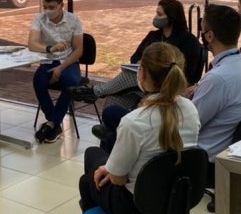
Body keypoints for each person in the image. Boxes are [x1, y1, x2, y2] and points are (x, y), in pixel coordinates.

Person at [78, 42, 200, 214]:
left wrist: (111, 170)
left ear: (141, 72)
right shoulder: (190, 109)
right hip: (176, 195)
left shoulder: (134, 122)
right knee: (97, 158)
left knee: (88, 176)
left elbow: (119, 180)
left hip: (135, 205)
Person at [70, 0, 203, 149]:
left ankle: (96, 93)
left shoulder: (189, 42)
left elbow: (191, 75)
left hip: (167, 87)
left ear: (171, 17)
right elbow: (134, 57)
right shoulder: (153, 36)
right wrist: (140, 63)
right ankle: (108, 139)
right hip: (143, 85)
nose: (155, 18)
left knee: (129, 78)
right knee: (114, 98)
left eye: (159, 15)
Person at [193, 4, 241, 165]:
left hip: (202, 158)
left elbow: (188, 125)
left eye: (203, 30)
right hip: (225, 150)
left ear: (209, 36)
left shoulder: (217, 79)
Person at [29, 0, 84, 143]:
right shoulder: (39, 18)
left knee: (71, 82)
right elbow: (32, 44)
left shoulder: (74, 20)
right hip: (48, 59)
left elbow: (78, 50)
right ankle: (55, 124)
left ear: (62, 5)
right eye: (45, 7)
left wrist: (60, 68)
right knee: (38, 81)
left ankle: (51, 123)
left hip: (68, 61)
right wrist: (49, 48)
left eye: (52, 7)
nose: (48, 11)